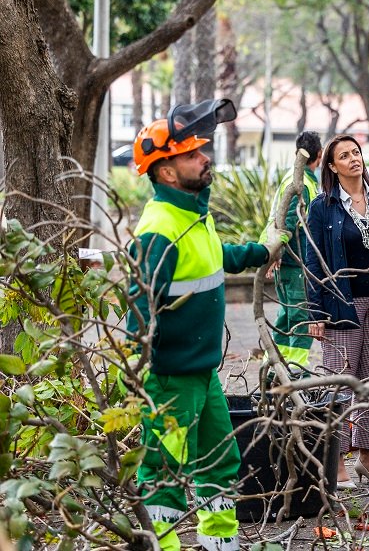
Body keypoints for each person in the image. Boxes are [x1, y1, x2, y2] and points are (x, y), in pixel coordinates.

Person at [126, 117, 287, 551]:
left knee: (220, 461)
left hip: (202, 374)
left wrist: (262, 251)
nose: (205, 157)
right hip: (169, 381)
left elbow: (218, 257)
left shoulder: (192, 216)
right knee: (164, 473)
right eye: (192, 154)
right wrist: (140, 377)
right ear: (166, 171)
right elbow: (139, 309)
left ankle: (220, 543)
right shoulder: (159, 229)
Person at [305, 134, 369, 489]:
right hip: (340, 305)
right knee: (341, 385)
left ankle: (368, 459)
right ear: (331, 166)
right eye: (343, 155)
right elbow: (313, 259)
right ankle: (338, 462)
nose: (353, 159)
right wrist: (315, 312)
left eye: (356, 152)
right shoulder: (322, 206)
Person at [262, 131, 323, 369]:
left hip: (285, 263)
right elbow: (286, 224)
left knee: (286, 319)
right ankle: (296, 371)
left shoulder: (292, 178)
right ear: (318, 156)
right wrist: (276, 253)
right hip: (295, 264)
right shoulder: (304, 184)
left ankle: (273, 368)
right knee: (300, 320)